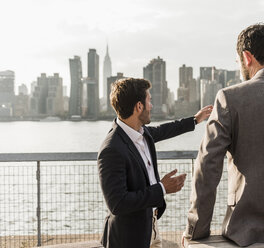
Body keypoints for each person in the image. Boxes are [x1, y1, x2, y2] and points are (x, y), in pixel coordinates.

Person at [97, 77, 212, 248]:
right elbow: (118, 203)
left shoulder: (142, 133)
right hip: (128, 239)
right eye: (149, 101)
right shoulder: (111, 149)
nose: (151, 106)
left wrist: (195, 120)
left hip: (150, 228)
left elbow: (165, 129)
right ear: (139, 106)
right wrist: (162, 188)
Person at [183, 23, 264, 247]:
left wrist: (195, 231)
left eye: (237, 61)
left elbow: (208, 166)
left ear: (247, 57)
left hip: (247, 233)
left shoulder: (230, 98)